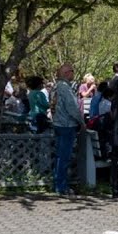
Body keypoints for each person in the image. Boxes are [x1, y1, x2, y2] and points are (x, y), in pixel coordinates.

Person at [51, 64, 83, 195]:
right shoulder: (65, 88)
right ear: (67, 73)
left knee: (59, 156)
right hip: (66, 125)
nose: (73, 74)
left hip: (57, 123)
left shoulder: (55, 87)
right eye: (72, 71)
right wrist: (81, 122)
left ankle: (58, 184)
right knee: (64, 157)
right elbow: (72, 108)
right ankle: (61, 186)